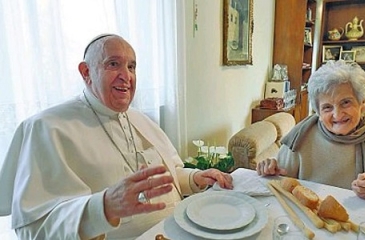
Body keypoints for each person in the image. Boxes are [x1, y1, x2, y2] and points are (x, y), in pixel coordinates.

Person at [0, 34, 233, 239]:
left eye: (131, 67)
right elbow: (34, 229)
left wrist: (196, 178)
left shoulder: (141, 119)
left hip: (180, 230)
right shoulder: (47, 128)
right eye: (113, 64)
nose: (126, 76)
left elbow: (164, 176)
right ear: (86, 72)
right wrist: (104, 207)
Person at [256, 60, 365, 200]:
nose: (337, 115)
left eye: (345, 102)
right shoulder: (301, 136)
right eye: (327, 107)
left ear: (362, 103)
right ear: (318, 113)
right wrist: (269, 167)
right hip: (307, 217)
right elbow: (279, 181)